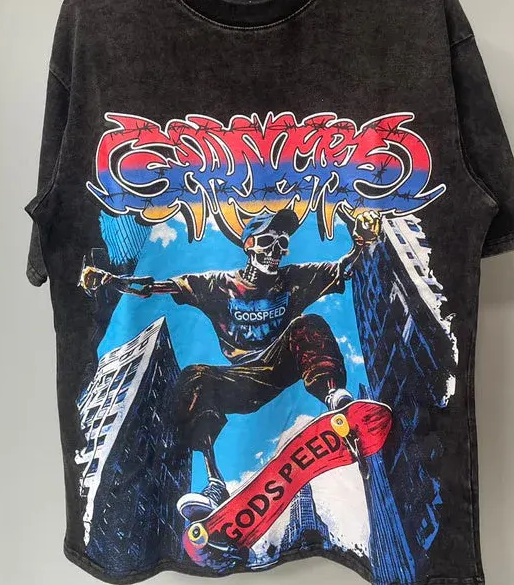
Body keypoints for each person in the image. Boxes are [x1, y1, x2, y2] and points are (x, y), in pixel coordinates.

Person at [79, 207, 381, 521]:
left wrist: (360, 243)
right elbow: (155, 287)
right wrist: (112, 280)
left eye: (282, 244)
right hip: (242, 378)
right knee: (195, 377)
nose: (275, 251)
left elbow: (343, 269)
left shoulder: (295, 279)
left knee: (309, 324)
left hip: (283, 361)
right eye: (267, 242)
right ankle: (214, 485)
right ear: (249, 245)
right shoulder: (216, 285)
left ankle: (334, 397)